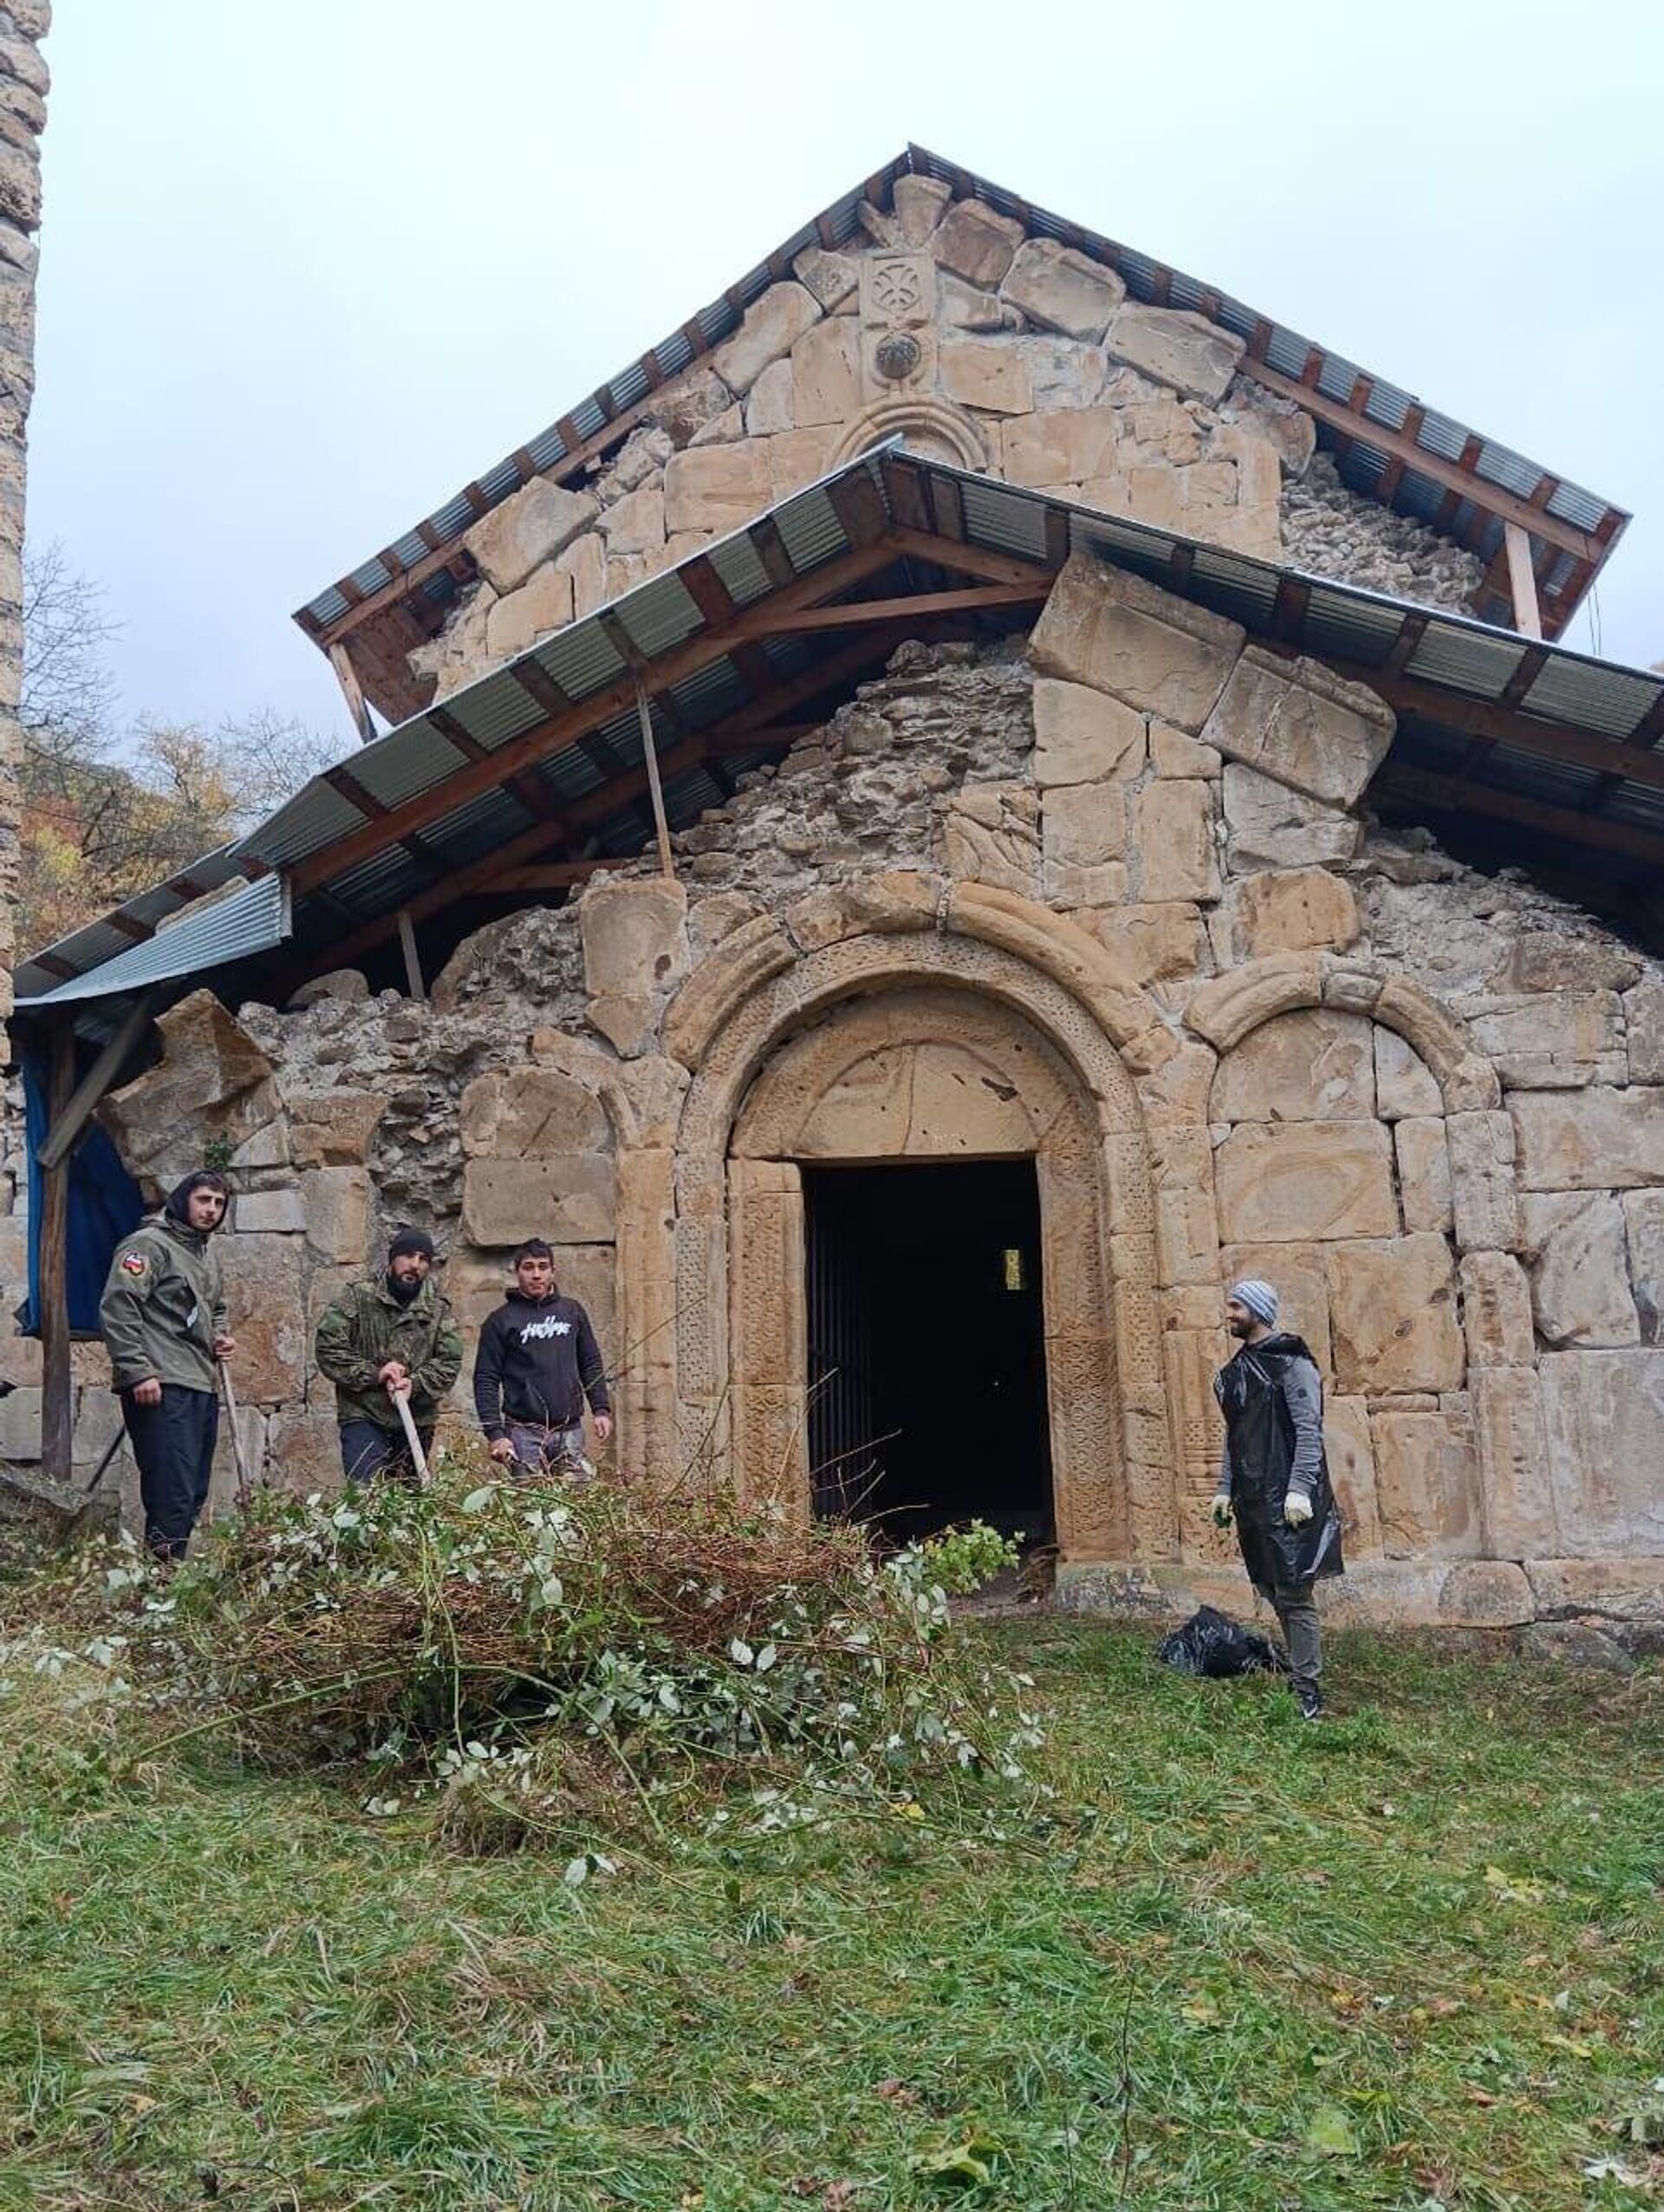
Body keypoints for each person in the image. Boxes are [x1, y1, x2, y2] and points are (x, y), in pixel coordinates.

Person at [1210, 1278, 1343, 1719]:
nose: (1228, 1314)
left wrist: (1300, 1489)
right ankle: (1300, 1666)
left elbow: (1309, 1430)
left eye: (1235, 1306)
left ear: (1257, 1310)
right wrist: (1225, 1488)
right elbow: (1236, 1437)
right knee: (1268, 1584)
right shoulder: (1235, 1373)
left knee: (1294, 1590)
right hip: (1253, 1496)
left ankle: (1308, 1686)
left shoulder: (1292, 1363)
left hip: (1288, 1496)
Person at [100, 1169, 235, 1560]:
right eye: (203, 1200)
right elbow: (119, 1307)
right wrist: (137, 1370)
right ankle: (160, 1586)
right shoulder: (147, 1245)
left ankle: (165, 1578)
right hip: (161, 1383)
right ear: (183, 1200)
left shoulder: (204, 1255)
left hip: (199, 1381)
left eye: (219, 1203)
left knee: (193, 1490)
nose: (211, 1210)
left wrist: (219, 1336)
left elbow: (216, 1306)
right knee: (170, 1491)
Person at [313, 1227, 463, 1485]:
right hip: (364, 1413)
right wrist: (375, 1373)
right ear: (392, 1258)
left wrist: (414, 1385)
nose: (415, 1265)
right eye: (408, 1256)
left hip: (416, 1419)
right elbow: (328, 1348)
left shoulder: (437, 1309)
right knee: (366, 1496)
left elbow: (449, 1362)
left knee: (408, 1502)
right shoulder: (358, 1297)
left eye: (423, 1259)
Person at [473, 1239, 613, 1480]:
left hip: (569, 1431)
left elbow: (590, 1362)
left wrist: (600, 1409)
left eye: (542, 1267)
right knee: (530, 1508)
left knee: (576, 1504)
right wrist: (495, 1433)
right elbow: (486, 1378)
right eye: (528, 1267)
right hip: (523, 1433)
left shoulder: (572, 1312)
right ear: (517, 1272)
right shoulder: (500, 1321)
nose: (536, 1275)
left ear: (553, 1271)